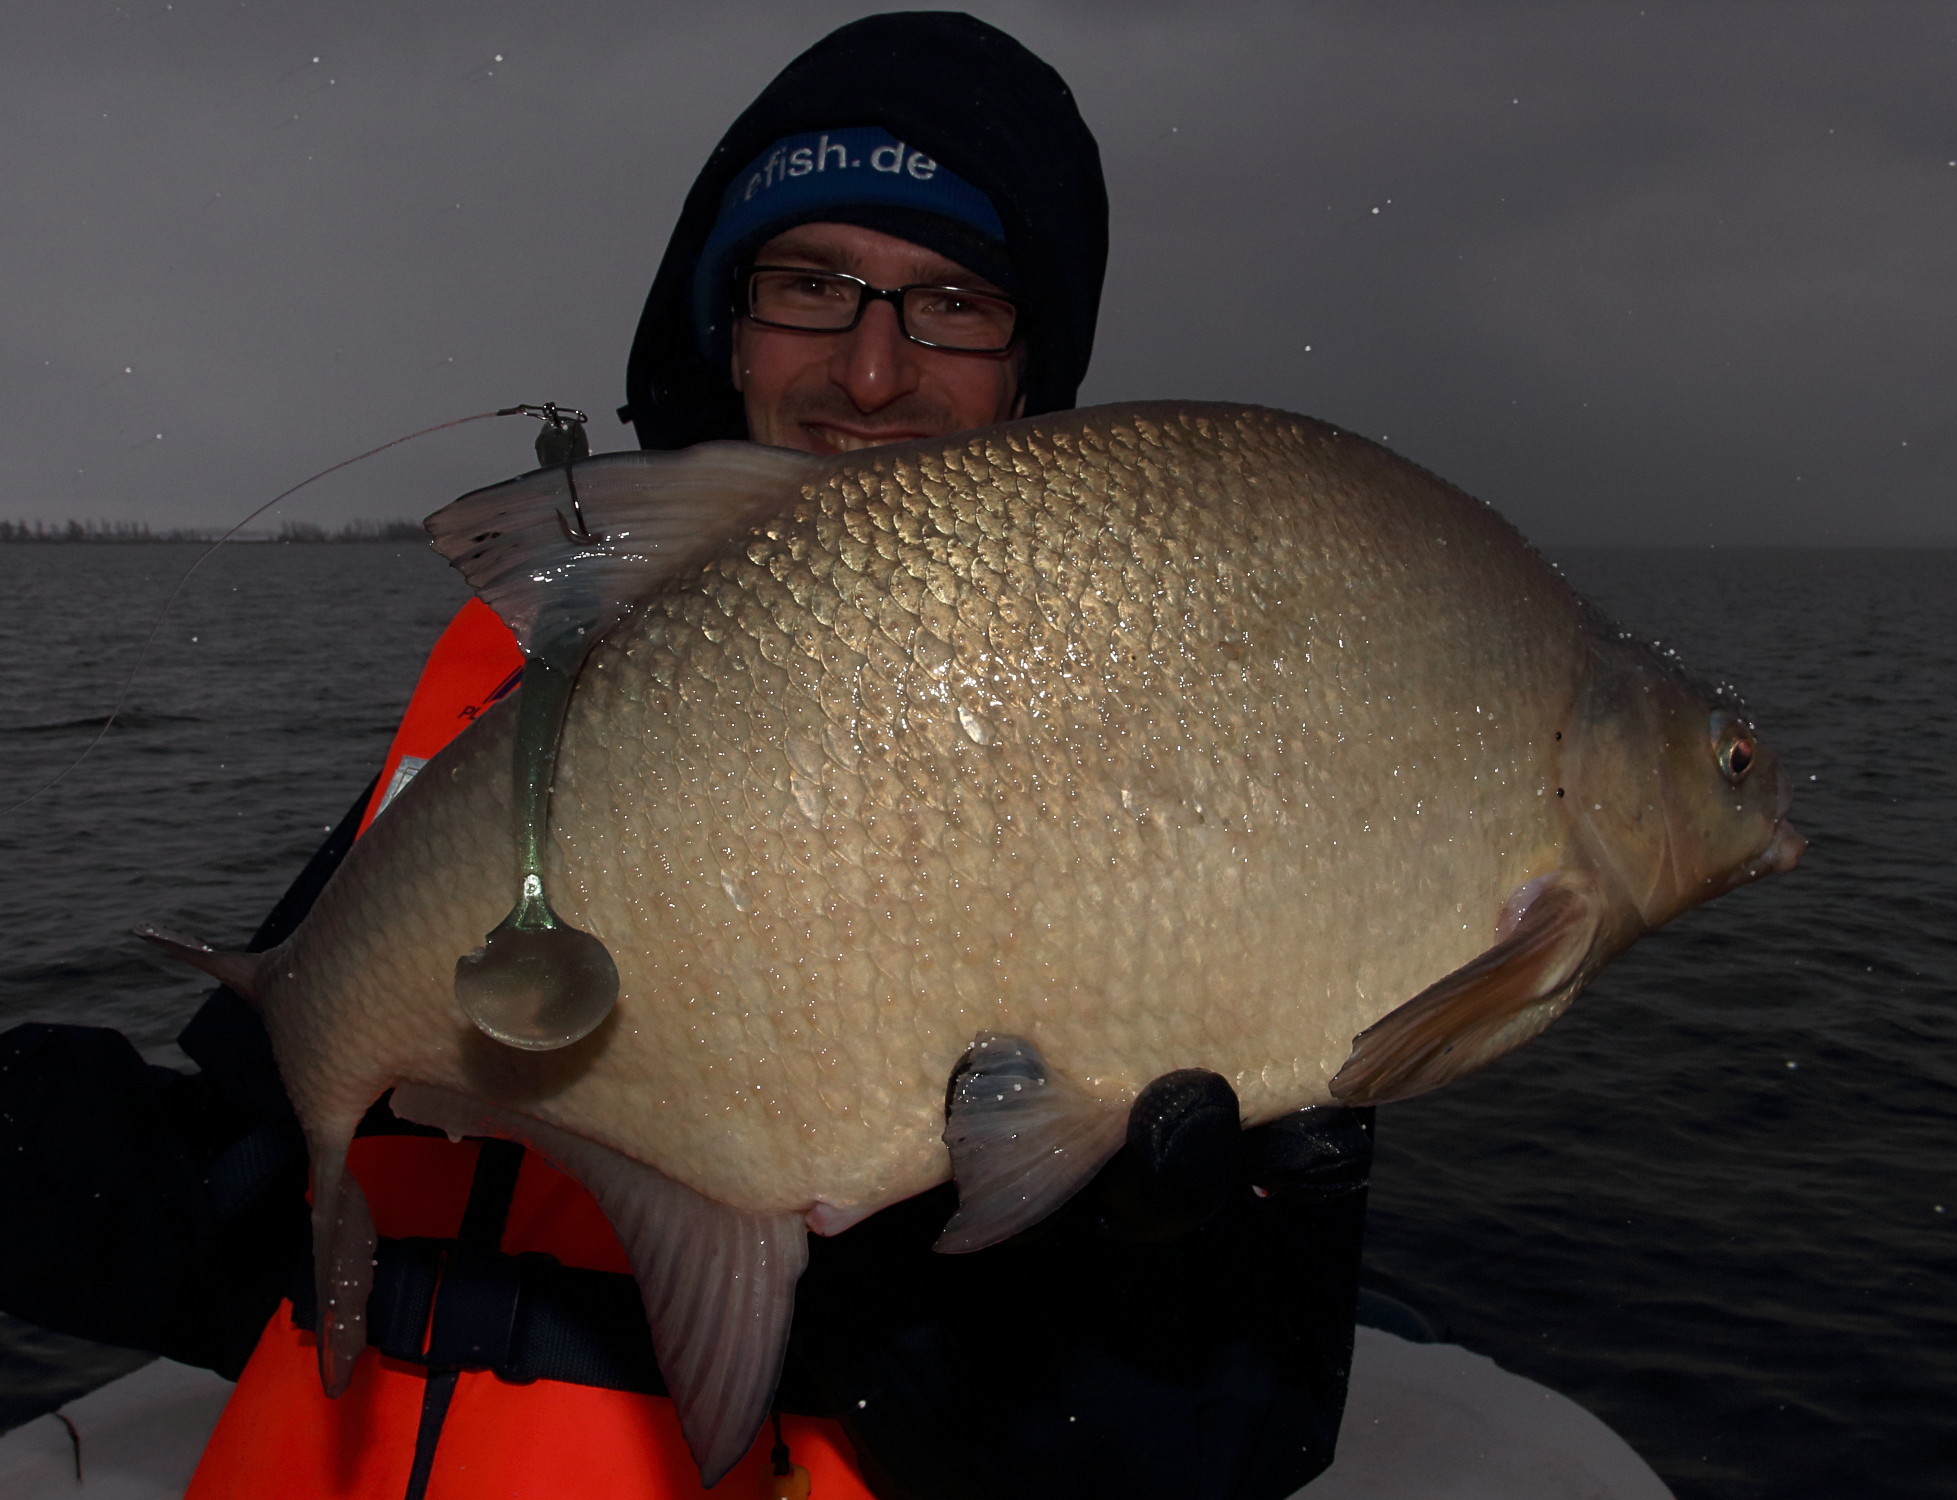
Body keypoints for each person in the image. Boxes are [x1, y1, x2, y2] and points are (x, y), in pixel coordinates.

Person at [0, 14, 1372, 1499]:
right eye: (810, 284)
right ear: (726, 326)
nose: (869, 368)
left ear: (1032, 370)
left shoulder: (1177, 727)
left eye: (954, 302)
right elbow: (238, 1213)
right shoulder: (521, 710)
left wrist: (1124, 1259)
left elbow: (1224, 1444)